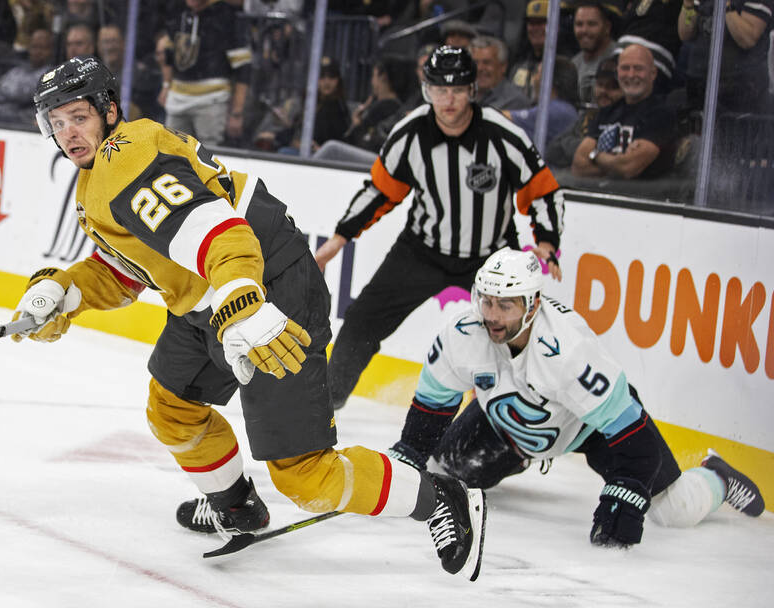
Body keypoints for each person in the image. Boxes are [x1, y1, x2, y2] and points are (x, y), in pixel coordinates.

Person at [14, 56, 488, 581]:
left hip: (268, 291)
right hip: (210, 299)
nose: (67, 133)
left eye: (77, 116)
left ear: (108, 109)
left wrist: (243, 299)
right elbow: (134, 268)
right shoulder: (100, 174)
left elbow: (222, 232)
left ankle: (441, 496)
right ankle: (237, 506)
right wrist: (64, 290)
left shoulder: (126, 162)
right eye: (55, 123)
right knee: (172, 407)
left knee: (307, 477)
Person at [387, 248, 765, 548]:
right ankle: (517, 459)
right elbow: (430, 409)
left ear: (532, 304)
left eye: (506, 305)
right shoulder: (462, 334)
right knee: (439, 474)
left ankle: (716, 475)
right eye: (486, 301)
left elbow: (637, 441)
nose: (492, 316)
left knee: (677, 510)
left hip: (588, 429)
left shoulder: (568, 350)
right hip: (503, 426)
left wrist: (629, 487)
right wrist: (410, 452)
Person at [314, 46, 564, 410]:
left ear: (473, 91)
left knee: (516, 334)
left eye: (458, 90)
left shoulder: (502, 135)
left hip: (489, 257)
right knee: (362, 319)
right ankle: (324, 407)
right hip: (422, 249)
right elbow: (381, 190)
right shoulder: (411, 133)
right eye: (439, 90)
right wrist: (340, 238)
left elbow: (542, 190)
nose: (449, 100)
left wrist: (547, 241)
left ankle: (524, 412)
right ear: (426, 90)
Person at [571, 44, 675, 180]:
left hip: (646, 198)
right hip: (603, 195)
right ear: (618, 72)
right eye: (625, 68)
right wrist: (617, 162)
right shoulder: (607, 112)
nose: (631, 75)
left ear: (653, 73)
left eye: (638, 68)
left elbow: (629, 168)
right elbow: (579, 166)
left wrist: (595, 155)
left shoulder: (662, 114)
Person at [157, 0, 251, 146]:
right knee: (171, 151)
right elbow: (167, 53)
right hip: (178, 97)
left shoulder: (227, 16)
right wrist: (166, 85)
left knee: (209, 155)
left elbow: (243, 68)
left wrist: (237, 112)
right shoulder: (179, 11)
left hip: (211, 100)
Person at [0, 27, 53, 124]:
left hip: (23, 126)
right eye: (34, 47)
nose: (37, 52)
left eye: (42, 48)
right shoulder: (17, 71)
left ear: (51, 50)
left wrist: (2, 88)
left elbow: (22, 93)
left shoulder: (52, 74)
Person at [503, 56, 580, 144]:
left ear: (548, 79)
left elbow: (507, 117)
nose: (534, 78)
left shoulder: (559, 110)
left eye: (538, 73)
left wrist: (485, 112)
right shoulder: (563, 108)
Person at [570, 0, 619, 105]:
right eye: (579, 24)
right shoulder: (573, 64)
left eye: (591, 24)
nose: (584, 30)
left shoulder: (621, 59)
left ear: (607, 27)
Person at [469, 35, 531, 110]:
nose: (480, 68)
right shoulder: (462, 96)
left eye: (487, 62)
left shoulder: (515, 102)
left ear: (503, 67)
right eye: (475, 62)